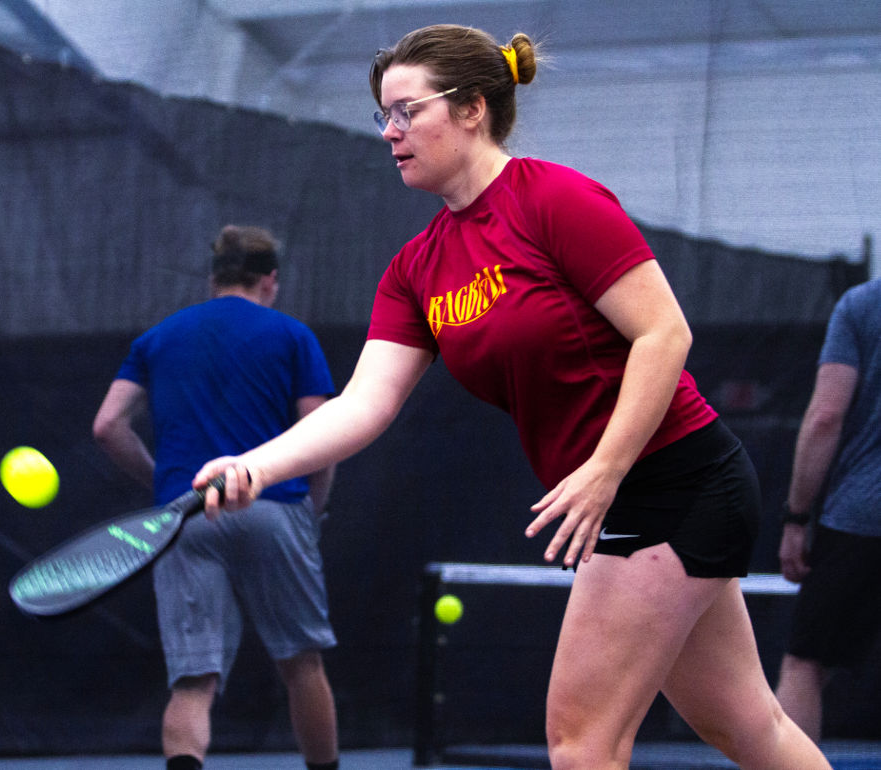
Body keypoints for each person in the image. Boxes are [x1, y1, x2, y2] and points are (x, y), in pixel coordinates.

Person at [192, 24, 830, 770]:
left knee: (580, 743)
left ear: (470, 109)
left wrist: (605, 469)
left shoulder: (556, 200)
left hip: (669, 480)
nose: (389, 132)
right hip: (631, 493)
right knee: (748, 726)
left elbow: (664, 335)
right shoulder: (416, 268)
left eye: (406, 111)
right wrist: (256, 466)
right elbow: (364, 403)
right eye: (382, 116)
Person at [92, 226, 340, 770]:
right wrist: (309, 515)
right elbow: (323, 438)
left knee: (193, 681)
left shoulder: (157, 339)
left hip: (186, 517)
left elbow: (108, 425)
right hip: (275, 509)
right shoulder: (293, 335)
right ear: (270, 280)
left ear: (214, 278)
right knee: (303, 665)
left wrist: (167, 486)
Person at [775, 277, 881, 742]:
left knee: (805, 662)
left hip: (861, 519)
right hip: (863, 514)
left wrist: (797, 518)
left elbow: (825, 418)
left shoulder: (862, 306)